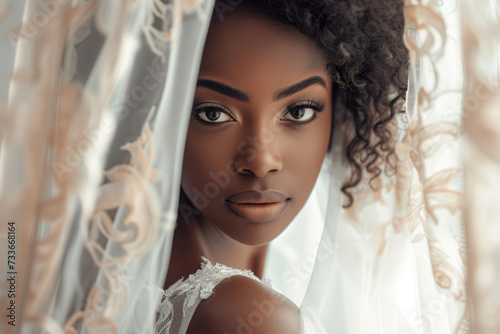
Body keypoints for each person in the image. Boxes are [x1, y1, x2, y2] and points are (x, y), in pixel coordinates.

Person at [156, 1, 409, 333]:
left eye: (299, 111)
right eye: (213, 114)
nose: (261, 162)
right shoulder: (248, 315)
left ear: (344, 106)